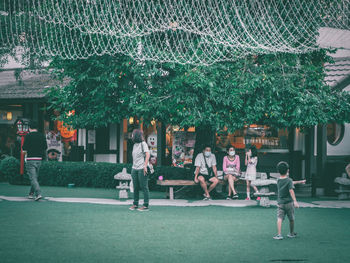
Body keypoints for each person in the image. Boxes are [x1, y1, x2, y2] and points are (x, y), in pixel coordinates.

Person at [273, 161, 299, 240]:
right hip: (289, 203)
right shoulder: (289, 180)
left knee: (279, 218)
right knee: (291, 218)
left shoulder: (278, 180)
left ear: (278, 171)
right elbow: (291, 190)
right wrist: (295, 201)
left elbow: (290, 182)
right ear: (288, 170)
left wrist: (299, 182)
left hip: (280, 203)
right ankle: (291, 233)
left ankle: (279, 234)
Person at [22, 120, 47, 201]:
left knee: (33, 178)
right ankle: (31, 193)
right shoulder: (42, 136)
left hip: (30, 159)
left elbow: (24, 148)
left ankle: (38, 193)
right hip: (39, 159)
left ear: (29, 128)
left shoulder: (28, 136)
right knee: (35, 177)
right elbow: (45, 147)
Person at [129, 129, 150, 211]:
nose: (131, 136)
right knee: (135, 186)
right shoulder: (135, 145)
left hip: (142, 168)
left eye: (133, 135)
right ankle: (135, 204)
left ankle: (145, 205)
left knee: (144, 186)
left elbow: (147, 154)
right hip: (134, 168)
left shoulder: (143, 144)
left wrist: (145, 166)